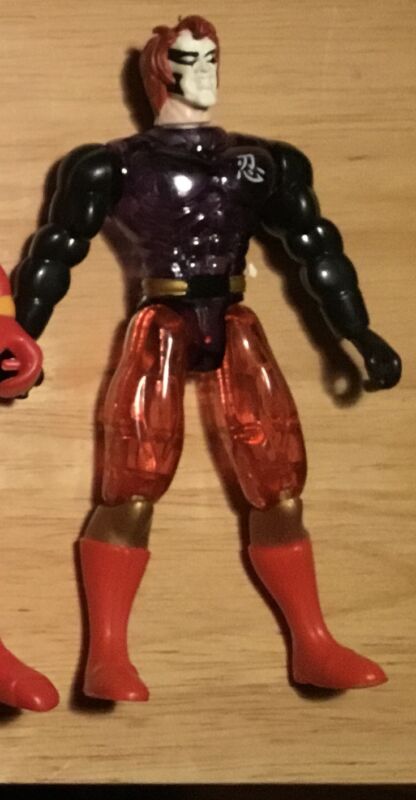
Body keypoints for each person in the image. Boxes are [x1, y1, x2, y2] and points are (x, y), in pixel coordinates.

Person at [0, 15, 401, 707]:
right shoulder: (115, 164)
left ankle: (313, 641)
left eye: (212, 58)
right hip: (161, 318)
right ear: (160, 72)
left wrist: (358, 333)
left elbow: (316, 244)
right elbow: (56, 250)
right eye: (190, 61)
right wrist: (19, 341)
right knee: (132, 486)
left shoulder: (264, 161)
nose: (205, 72)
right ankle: (107, 656)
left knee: (279, 484)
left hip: (235, 320)